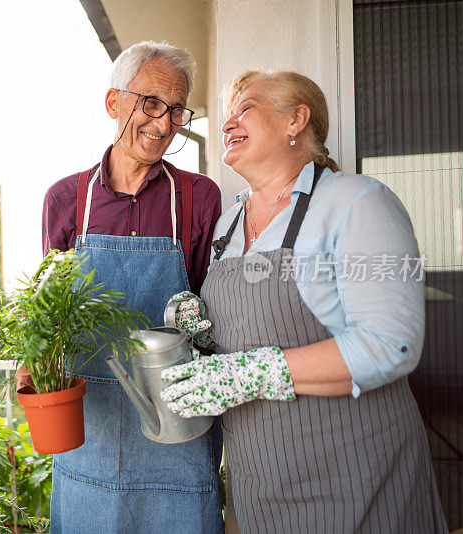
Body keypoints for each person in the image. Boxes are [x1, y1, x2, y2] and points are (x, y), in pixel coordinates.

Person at [161, 70, 447, 533]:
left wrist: (255, 374)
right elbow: (249, 331)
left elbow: (392, 343)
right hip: (263, 487)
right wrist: (207, 335)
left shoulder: (358, 201)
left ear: (297, 119)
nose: (229, 122)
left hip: (359, 480)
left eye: (246, 108)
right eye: (227, 113)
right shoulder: (227, 225)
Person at [37, 41, 223, 533]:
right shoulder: (65, 200)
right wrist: (33, 365)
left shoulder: (199, 198)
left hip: (178, 423)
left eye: (176, 110)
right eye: (151, 103)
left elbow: (213, 314)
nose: (163, 124)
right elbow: (48, 314)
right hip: (91, 428)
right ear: (112, 102)